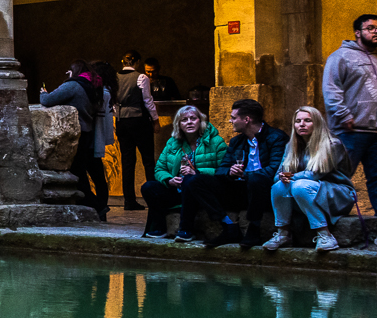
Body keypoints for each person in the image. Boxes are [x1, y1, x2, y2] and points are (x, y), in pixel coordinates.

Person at [186, 97, 285, 248]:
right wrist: (230, 172)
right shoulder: (237, 142)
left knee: (257, 179)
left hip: (264, 193)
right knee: (195, 181)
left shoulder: (276, 138)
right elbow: (221, 169)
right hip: (240, 190)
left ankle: (254, 229)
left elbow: (274, 170)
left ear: (246, 119)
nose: (230, 121)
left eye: (233, 118)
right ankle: (228, 226)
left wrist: (246, 175)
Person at [264, 105, 355, 252]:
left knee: (299, 185)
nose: (302, 124)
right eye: (298, 121)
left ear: (317, 123)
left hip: (338, 195)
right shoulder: (291, 146)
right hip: (305, 193)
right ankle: (283, 234)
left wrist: (291, 176)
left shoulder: (332, 144)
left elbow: (315, 175)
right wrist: (282, 177)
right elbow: (277, 176)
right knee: (278, 186)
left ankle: (325, 235)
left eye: (307, 120)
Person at [141, 104, 226, 240]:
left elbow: (224, 170)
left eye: (193, 118)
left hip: (201, 193)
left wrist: (197, 172)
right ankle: (160, 227)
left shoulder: (215, 142)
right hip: (178, 190)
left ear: (201, 121)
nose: (189, 122)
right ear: (178, 124)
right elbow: (159, 169)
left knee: (189, 180)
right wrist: (169, 180)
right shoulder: (172, 143)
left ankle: (186, 229)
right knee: (148, 187)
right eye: (184, 120)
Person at [40, 61, 111, 219]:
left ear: (75, 71)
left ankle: (97, 206)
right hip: (88, 133)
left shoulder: (74, 85)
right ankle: (99, 207)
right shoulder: (95, 86)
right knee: (88, 174)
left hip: (74, 135)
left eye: (69, 72)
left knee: (77, 175)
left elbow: (48, 100)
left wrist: (43, 92)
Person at [322, 13, 377, 211]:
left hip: (374, 132)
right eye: (370, 28)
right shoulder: (340, 56)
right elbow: (331, 89)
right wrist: (344, 116)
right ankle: (327, 221)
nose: (375, 31)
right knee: (339, 177)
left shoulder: (376, 59)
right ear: (357, 33)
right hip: (350, 131)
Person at [114, 51, 157, 212]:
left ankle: (129, 201)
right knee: (147, 160)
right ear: (137, 62)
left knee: (127, 162)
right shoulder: (141, 77)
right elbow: (147, 100)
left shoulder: (115, 78)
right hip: (139, 120)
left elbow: (113, 101)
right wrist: (156, 120)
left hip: (121, 122)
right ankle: (153, 198)